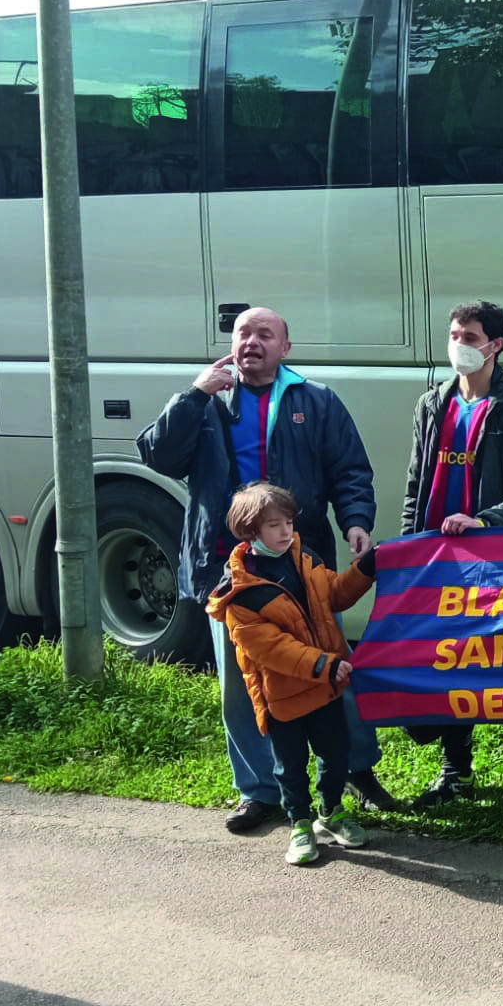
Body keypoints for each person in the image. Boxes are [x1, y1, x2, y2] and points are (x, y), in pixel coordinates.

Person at [136, 305, 390, 835]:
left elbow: (349, 469)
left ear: (285, 348)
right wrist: (194, 393)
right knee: (244, 681)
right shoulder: (205, 400)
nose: (252, 341)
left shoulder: (314, 400)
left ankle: (356, 771)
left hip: (302, 561)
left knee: (331, 667)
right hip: (229, 570)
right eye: (243, 333)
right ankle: (261, 790)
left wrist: (356, 522)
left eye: (265, 334)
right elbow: (157, 454)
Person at [402, 301, 503, 808]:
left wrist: (484, 522)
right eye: (453, 334)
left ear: (496, 345)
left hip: (500, 561)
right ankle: (455, 771)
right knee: (451, 663)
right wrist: (408, 555)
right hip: (441, 563)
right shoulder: (432, 405)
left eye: (469, 335)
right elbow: (414, 487)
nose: (459, 344)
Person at [205, 483, 377, 867]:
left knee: (336, 756)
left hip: (327, 690)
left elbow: (333, 595)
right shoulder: (240, 593)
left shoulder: (305, 558)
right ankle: (300, 824)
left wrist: (365, 570)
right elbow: (271, 648)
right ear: (250, 531)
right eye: (273, 525)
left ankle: (330, 814)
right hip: (284, 698)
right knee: (291, 768)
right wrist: (322, 664)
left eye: (288, 522)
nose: (285, 532)